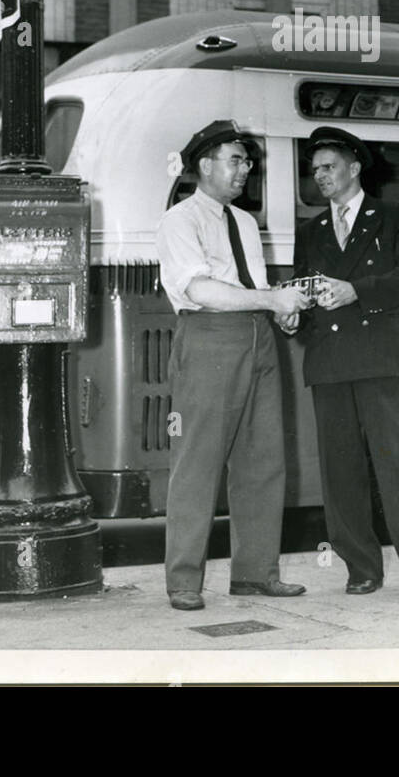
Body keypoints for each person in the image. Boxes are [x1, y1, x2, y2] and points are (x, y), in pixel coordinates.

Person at [294, 125, 399, 598]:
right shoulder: (310, 231)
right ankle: (361, 569)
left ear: (354, 168)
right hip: (330, 362)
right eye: (315, 172)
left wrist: (357, 291)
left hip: (386, 358)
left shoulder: (395, 217)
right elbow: (302, 288)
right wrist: (293, 318)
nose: (320, 178)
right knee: (341, 471)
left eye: (328, 168)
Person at [157, 119, 311, 611]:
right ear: (204, 165)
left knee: (263, 460)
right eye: (235, 160)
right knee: (197, 463)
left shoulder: (245, 223)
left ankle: (255, 573)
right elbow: (199, 290)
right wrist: (270, 298)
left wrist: (280, 314)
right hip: (209, 340)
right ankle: (184, 579)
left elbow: (251, 292)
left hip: (257, 340)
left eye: (247, 161)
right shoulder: (180, 220)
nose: (245, 169)